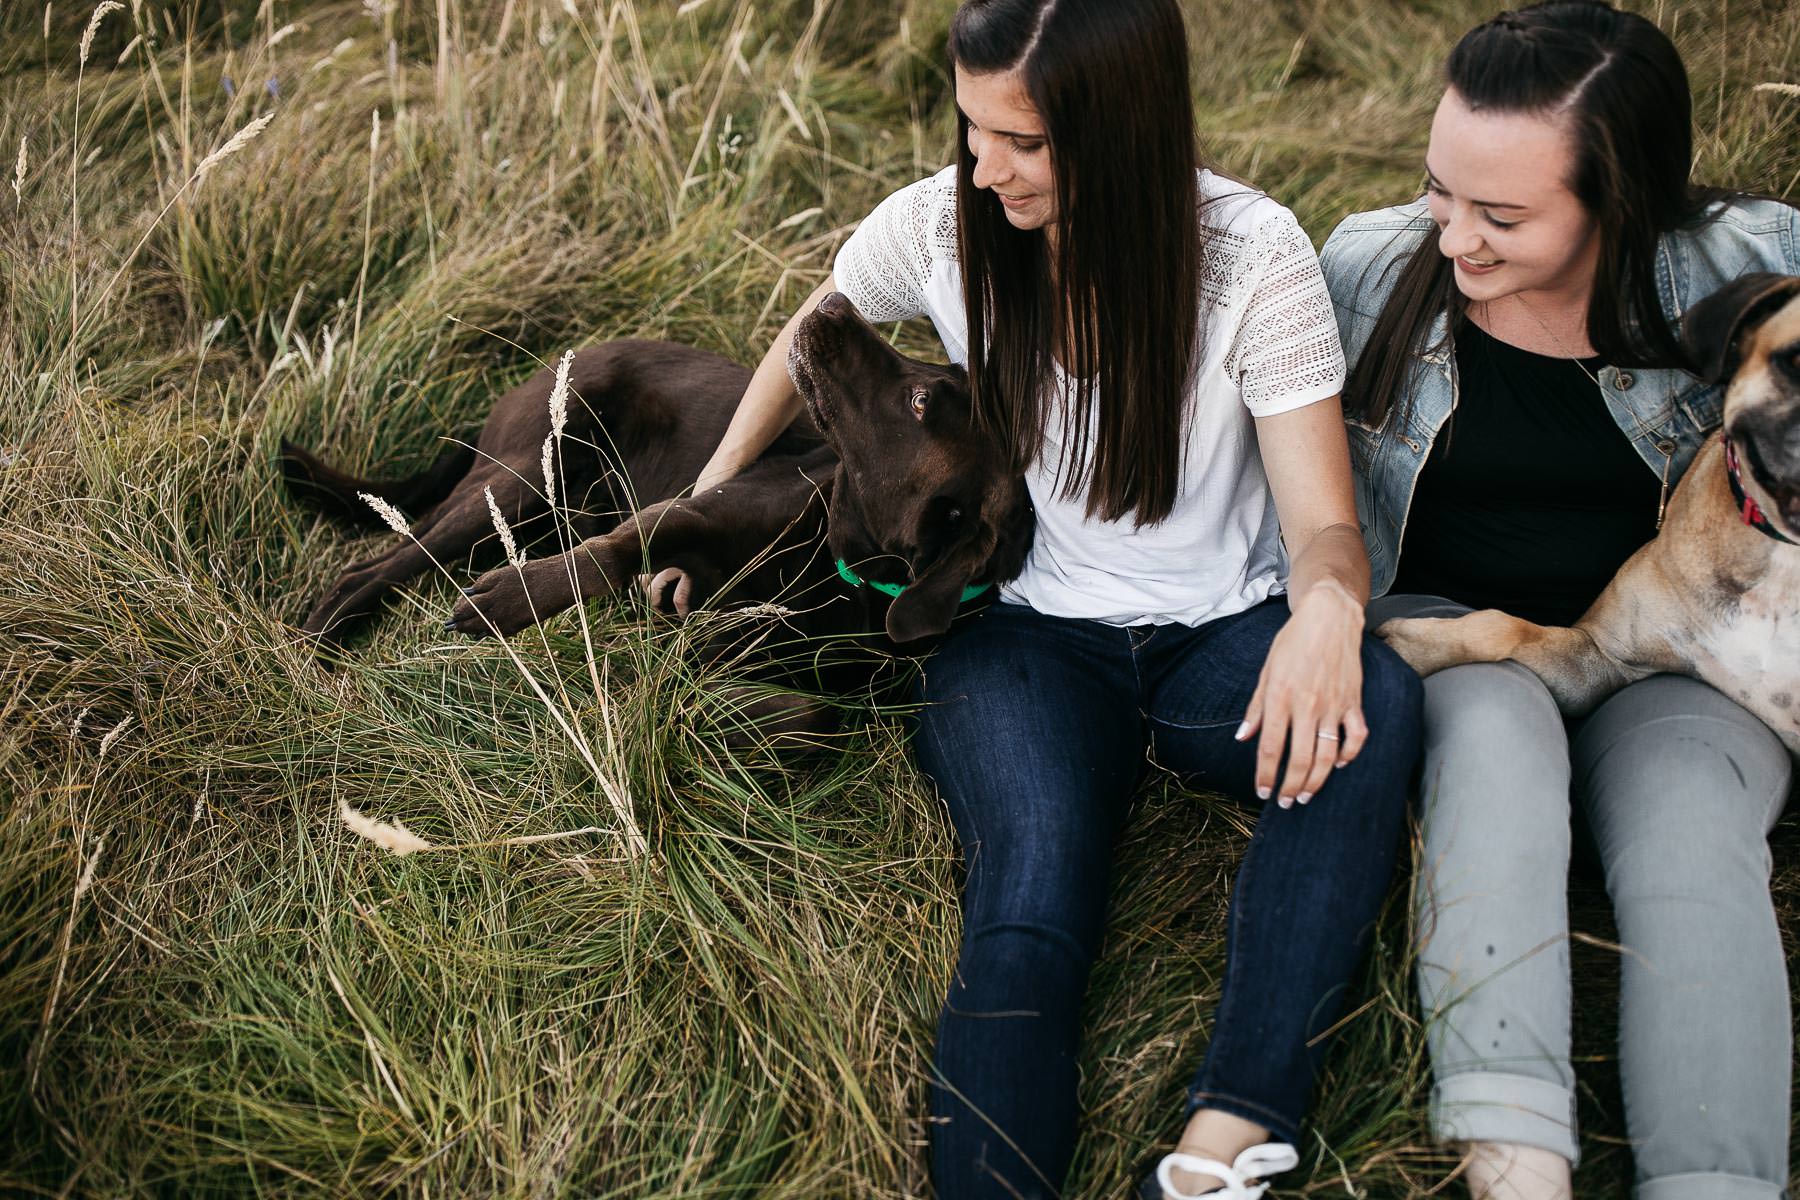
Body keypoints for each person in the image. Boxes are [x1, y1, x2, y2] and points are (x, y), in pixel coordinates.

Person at [682, 2, 1423, 1195]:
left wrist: (1329, 615)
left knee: (1370, 711)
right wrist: (711, 499)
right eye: (973, 130)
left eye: (1021, 142)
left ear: (1120, 131)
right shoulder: (946, 224)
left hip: (1218, 634)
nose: (985, 167)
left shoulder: (1252, 255)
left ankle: (1223, 1145)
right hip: (1024, 635)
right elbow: (818, 324)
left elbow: (1325, 525)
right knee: (1034, 880)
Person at [1320, 4, 1800, 1198]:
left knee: (1696, 828)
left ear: (1622, 199)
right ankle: (1515, 1154)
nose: (1456, 237)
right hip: (1458, 620)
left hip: (1680, 647)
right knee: (1495, 756)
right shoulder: (1368, 268)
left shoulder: (1753, 263)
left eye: (1502, 215)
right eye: (1442, 190)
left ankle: (1718, 1181)